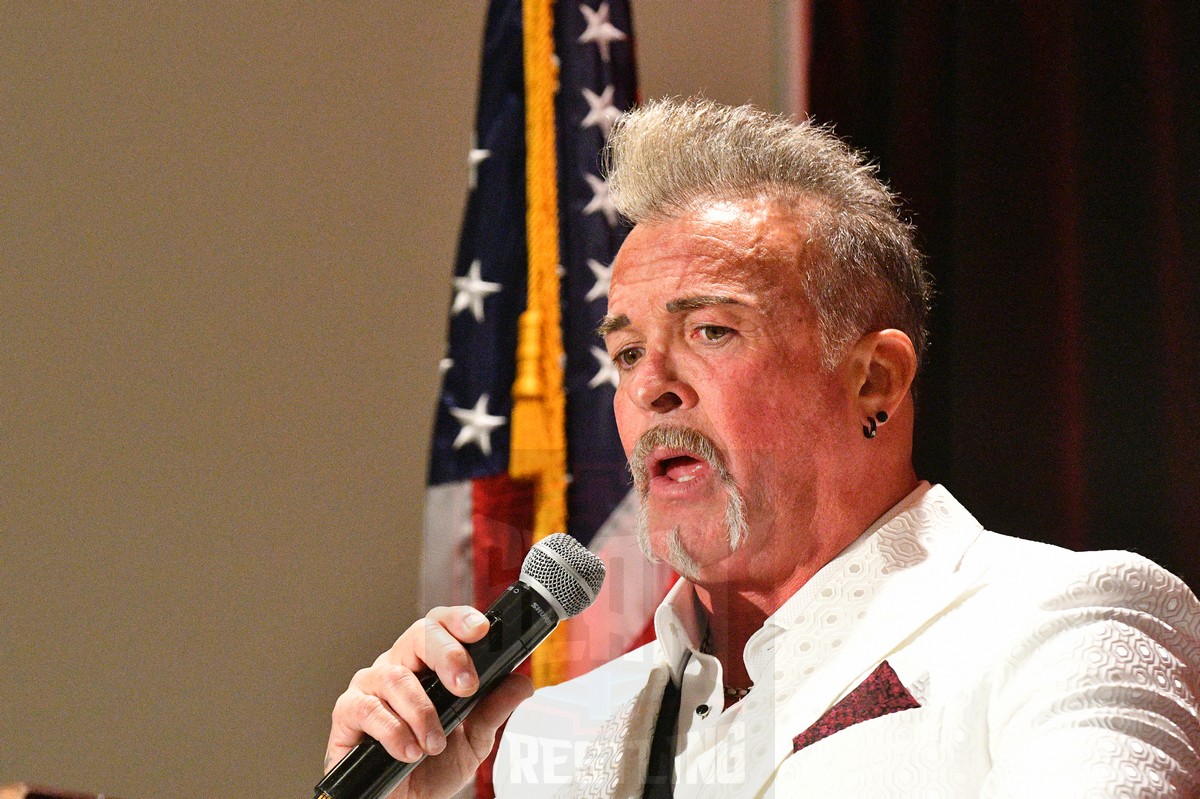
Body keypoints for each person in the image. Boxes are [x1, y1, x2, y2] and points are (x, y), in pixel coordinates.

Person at [326, 99, 1200, 797]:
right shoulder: (564, 733)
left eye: (709, 329)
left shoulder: (1065, 626)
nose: (648, 384)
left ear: (876, 382)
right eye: (625, 351)